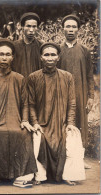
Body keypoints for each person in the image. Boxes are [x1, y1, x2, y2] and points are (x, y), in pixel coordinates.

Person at [0, 38, 37, 188]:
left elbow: (25, 102)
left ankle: (21, 175)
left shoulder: (20, 78)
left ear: (12, 57)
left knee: (23, 133)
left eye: (8, 54)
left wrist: (25, 120)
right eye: (1, 54)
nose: (4, 58)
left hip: (15, 120)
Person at [27, 42, 77, 184]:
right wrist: (35, 123)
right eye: (46, 55)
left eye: (53, 54)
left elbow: (72, 102)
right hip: (42, 122)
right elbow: (31, 104)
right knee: (38, 138)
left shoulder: (67, 77)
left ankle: (67, 175)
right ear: (41, 57)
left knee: (72, 137)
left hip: (61, 122)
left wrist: (70, 123)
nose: (50, 58)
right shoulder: (33, 77)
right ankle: (40, 176)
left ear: (58, 58)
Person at [58, 15, 94, 168]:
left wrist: (90, 96)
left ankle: (81, 157)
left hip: (80, 91)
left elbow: (90, 75)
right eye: (68, 26)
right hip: (62, 92)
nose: (71, 30)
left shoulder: (85, 51)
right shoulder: (57, 50)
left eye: (74, 27)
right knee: (62, 121)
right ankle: (64, 156)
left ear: (78, 30)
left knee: (80, 122)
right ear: (63, 29)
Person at [13, 12, 43, 78]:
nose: (31, 30)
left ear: (37, 28)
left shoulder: (41, 46)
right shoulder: (14, 46)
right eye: (28, 26)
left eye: (34, 26)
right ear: (22, 27)